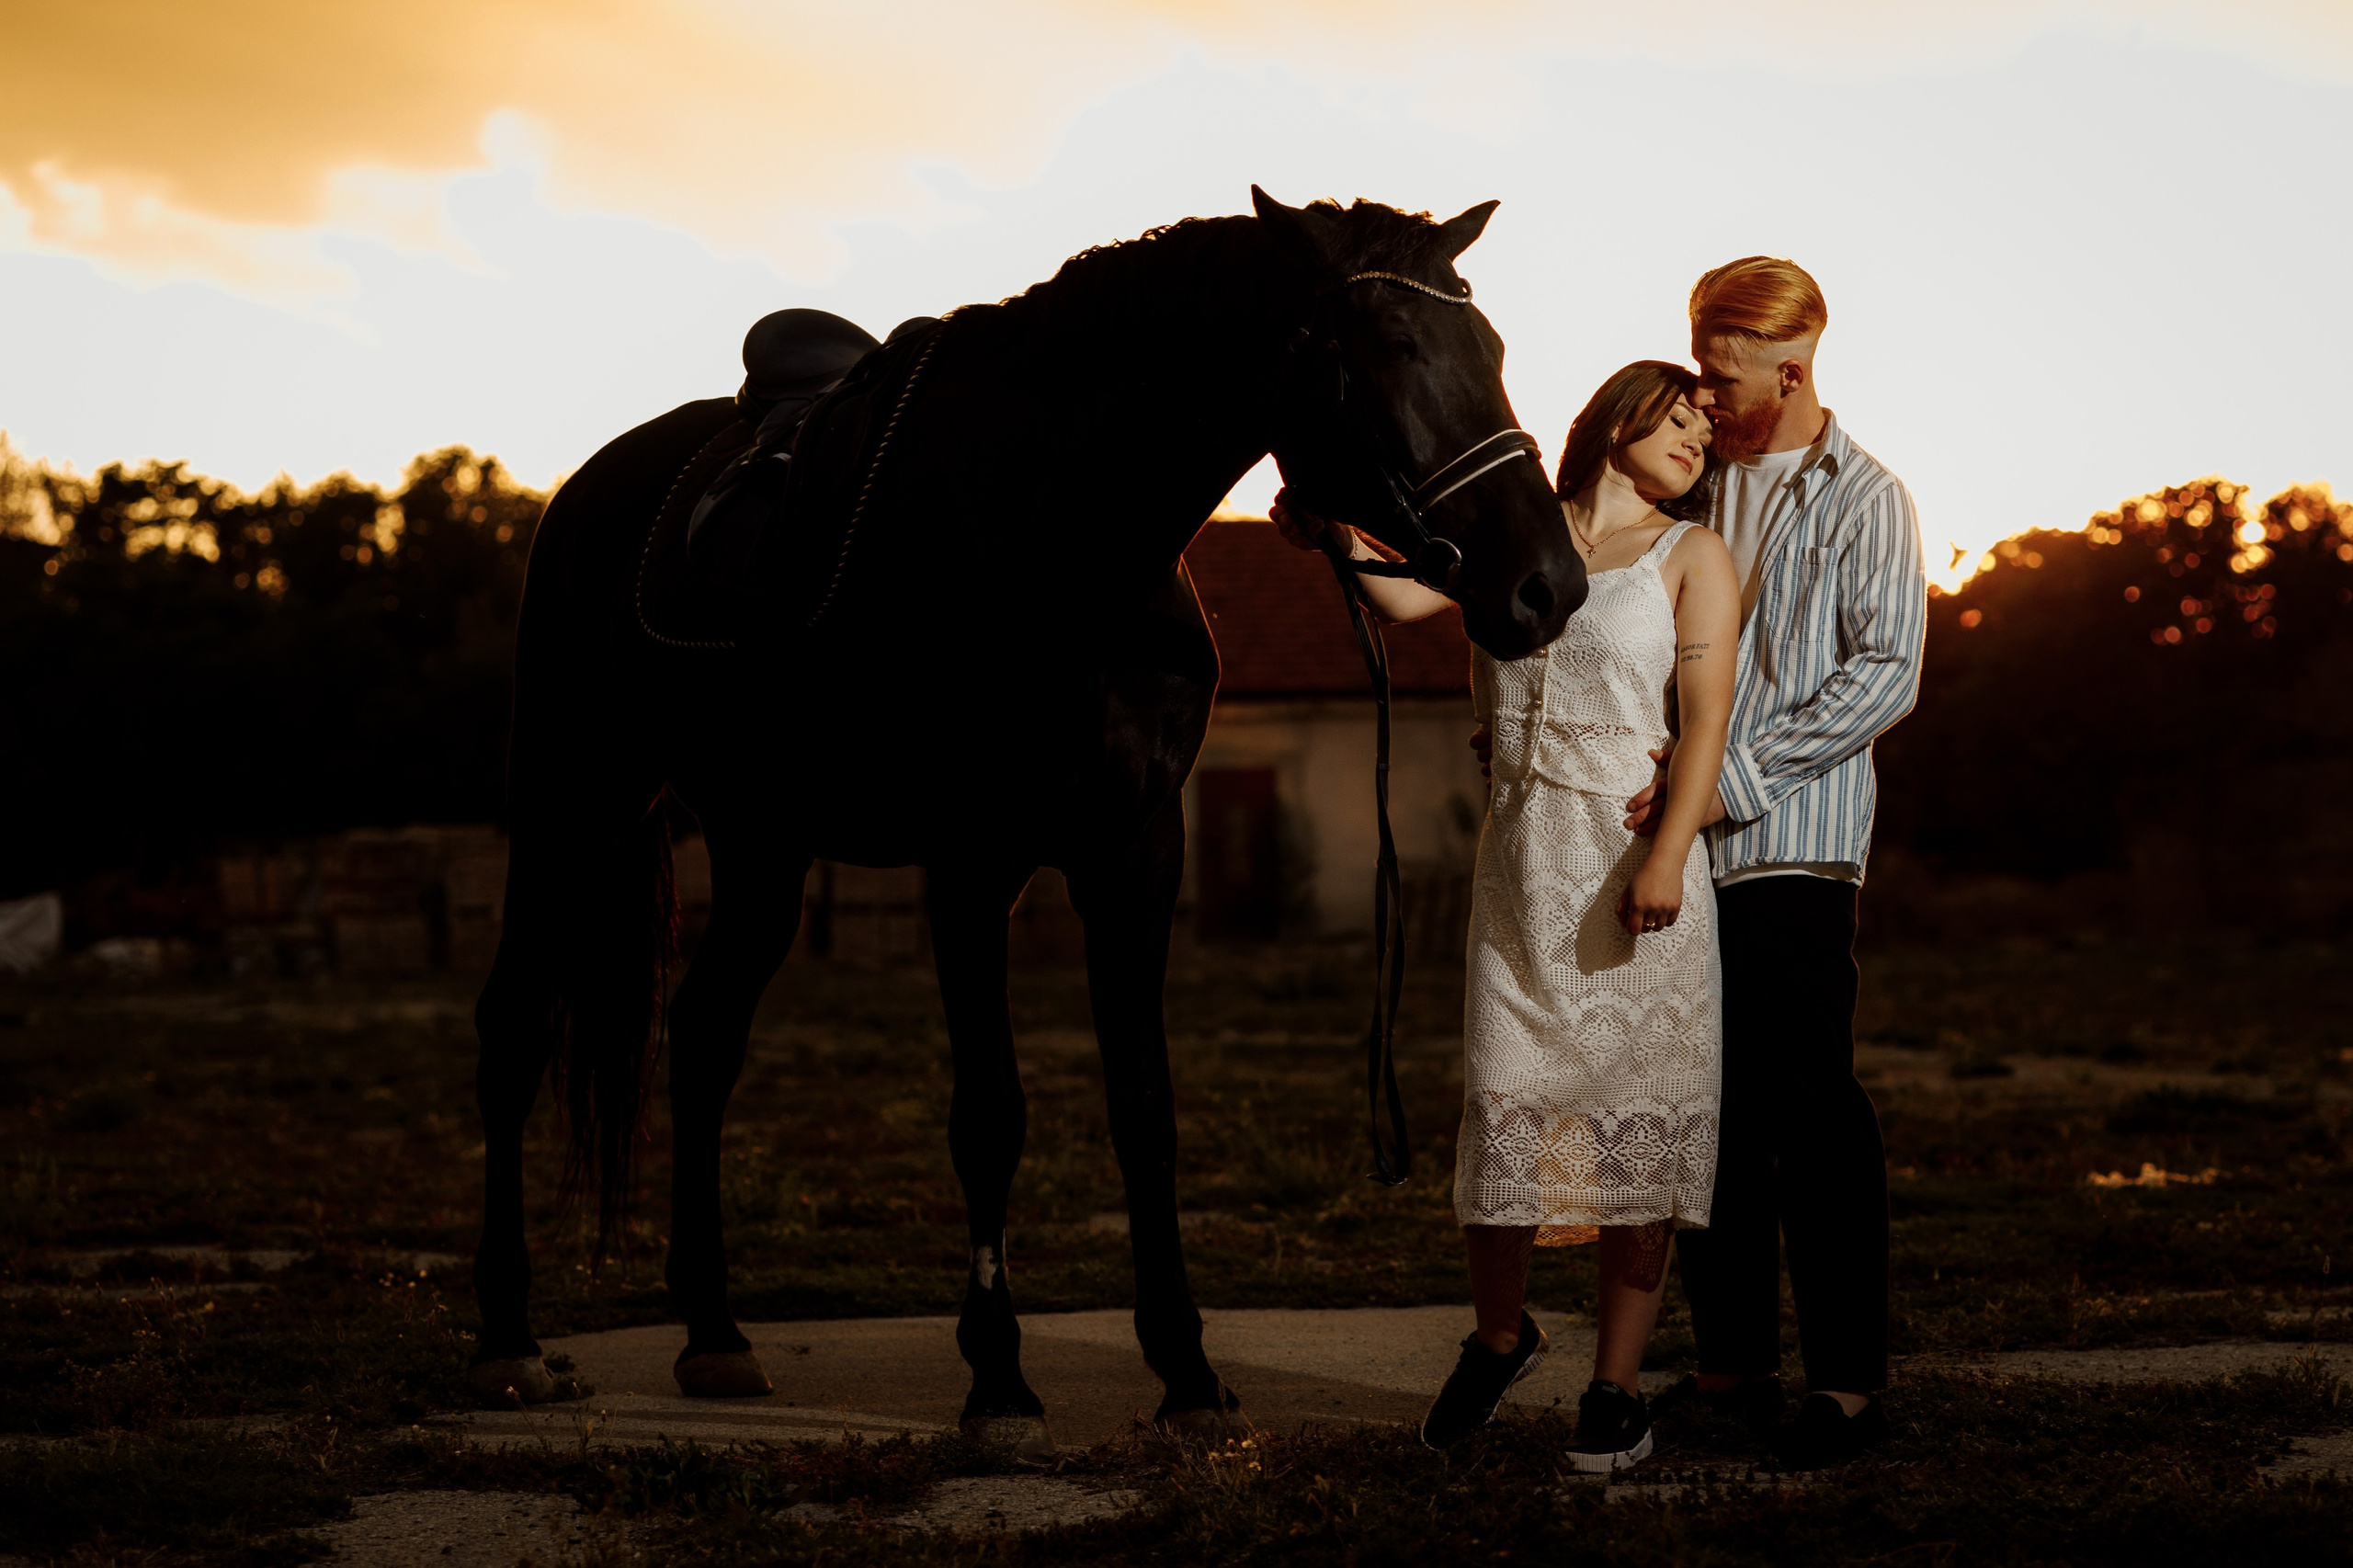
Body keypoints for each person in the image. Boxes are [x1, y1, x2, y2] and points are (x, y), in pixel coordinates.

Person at [1276, 360, 1738, 1471]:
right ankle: (1500, 1334)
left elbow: (1709, 721)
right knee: (1504, 1104)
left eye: (1702, 435)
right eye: (1674, 420)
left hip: (1631, 862)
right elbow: (1401, 598)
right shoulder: (1514, 534)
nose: (1692, 442)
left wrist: (1669, 851)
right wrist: (1328, 531)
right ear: (1616, 417)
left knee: (1637, 1123)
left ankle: (1614, 1388)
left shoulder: (1692, 555)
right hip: (1519, 859)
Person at [1623, 257, 1926, 1469]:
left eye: (1724, 374)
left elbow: (1885, 673)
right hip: (1666, 848)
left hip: (1792, 847)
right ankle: (1729, 1366)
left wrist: (1722, 785)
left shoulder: (1867, 496)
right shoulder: (1681, 488)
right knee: (1705, 1108)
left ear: (1793, 369)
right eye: (1696, 365)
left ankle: (1849, 1387)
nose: (1704, 392)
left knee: (1810, 1108)